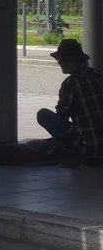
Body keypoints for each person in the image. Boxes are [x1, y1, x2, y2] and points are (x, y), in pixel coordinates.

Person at [36, 38, 103, 168]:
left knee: (43, 115)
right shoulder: (99, 75)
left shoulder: (70, 84)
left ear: (70, 62)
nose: (59, 63)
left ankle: (74, 153)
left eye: (59, 60)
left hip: (89, 149)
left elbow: (62, 115)